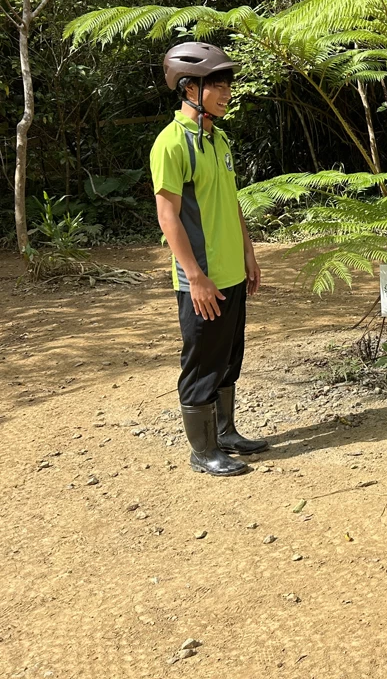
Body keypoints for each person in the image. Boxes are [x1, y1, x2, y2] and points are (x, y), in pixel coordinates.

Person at [150, 42, 267, 477]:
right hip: (202, 279)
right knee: (201, 362)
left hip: (232, 271)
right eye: (215, 84)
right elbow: (168, 215)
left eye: (227, 83)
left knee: (227, 357)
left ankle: (225, 432)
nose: (226, 91)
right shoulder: (171, 143)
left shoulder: (218, 140)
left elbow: (231, 202)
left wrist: (249, 252)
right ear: (187, 87)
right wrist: (194, 276)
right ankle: (203, 452)